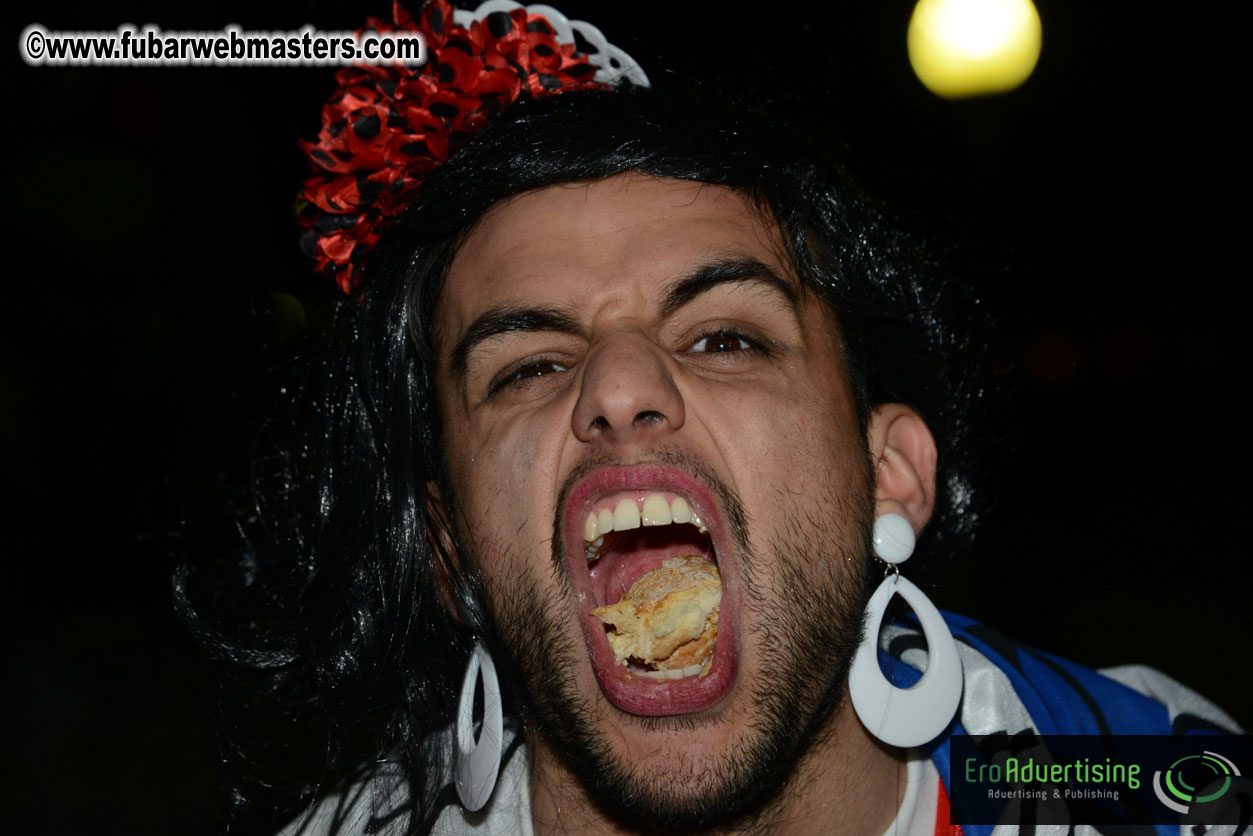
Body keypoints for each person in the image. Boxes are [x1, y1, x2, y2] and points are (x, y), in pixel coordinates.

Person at [177, 2, 1243, 834]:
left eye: (723, 337)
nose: (619, 386)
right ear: (449, 548)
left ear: (888, 473)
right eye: (530, 364)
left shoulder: (1144, 777)